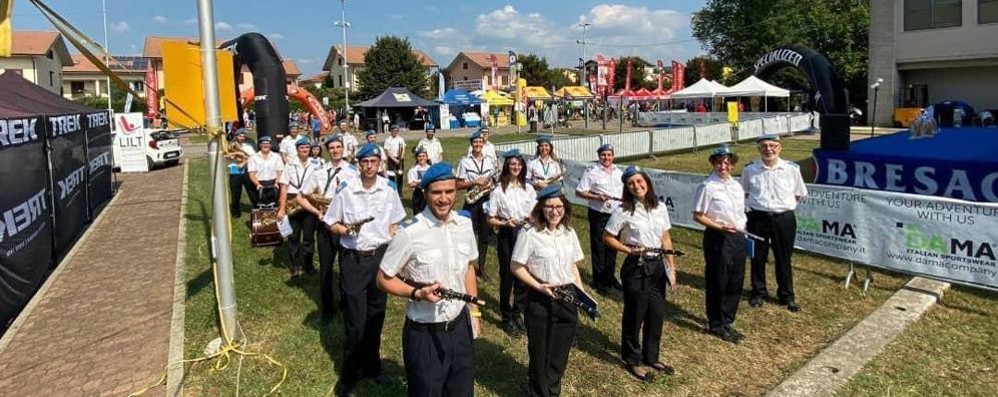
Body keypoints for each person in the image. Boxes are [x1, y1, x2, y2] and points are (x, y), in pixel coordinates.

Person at [376, 162, 481, 397]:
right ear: (425, 194)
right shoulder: (409, 233)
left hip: (460, 328)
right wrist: (416, 294)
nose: (444, 199)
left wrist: (473, 312)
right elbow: (383, 278)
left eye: (449, 191)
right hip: (425, 333)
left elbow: (468, 269)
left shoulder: (464, 224)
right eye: (436, 192)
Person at [323, 143, 406, 395]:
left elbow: (393, 225)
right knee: (355, 322)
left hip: (379, 259)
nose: (369, 166)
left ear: (380, 163)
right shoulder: (346, 190)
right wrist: (344, 229)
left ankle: (373, 366)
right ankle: (349, 374)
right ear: (358, 164)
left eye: (373, 162)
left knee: (376, 315)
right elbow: (330, 221)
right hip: (354, 260)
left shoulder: (389, 189)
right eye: (364, 162)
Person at [511, 183, 587, 397]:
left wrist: (581, 294)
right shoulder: (530, 233)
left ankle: (552, 390)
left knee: (560, 351)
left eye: (559, 206)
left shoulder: (569, 233)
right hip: (540, 297)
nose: (555, 211)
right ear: (541, 209)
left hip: (567, 296)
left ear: (565, 208)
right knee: (540, 351)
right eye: (549, 207)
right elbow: (516, 266)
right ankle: (538, 391)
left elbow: (572, 265)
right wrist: (538, 286)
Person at [602, 166, 677, 382]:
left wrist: (671, 269)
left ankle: (651, 356)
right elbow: (608, 237)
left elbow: (666, 239)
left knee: (656, 313)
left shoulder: (659, 207)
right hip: (636, 266)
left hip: (657, 267)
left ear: (647, 181)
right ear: (627, 187)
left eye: (639, 180)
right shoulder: (623, 210)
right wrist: (628, 250)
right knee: (635, 315)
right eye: (631, 183)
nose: (637, 185)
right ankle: (633, 359)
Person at [742, 134, 807, 312]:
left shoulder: (792, 169)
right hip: (758, 218)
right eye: (764, 146)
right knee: (758, 256)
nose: (768, 149)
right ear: (759, 149)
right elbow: (744, 193)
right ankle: (758, 292)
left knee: (783, 257)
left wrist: (782, 207)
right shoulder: (750, 169)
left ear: (780, 148)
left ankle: (786, 295)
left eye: (773, 146)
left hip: (783, 218)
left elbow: (799, 193)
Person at [300, 135, 359, 319]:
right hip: (325, 224)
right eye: (331, 147)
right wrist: (317, 213)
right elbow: (301, 197)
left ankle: (345, 301)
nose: (335, 150)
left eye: (338, 147)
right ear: (327, 150)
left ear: (343, 149)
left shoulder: (353, 171)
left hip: (344, 224)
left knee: (346, 266)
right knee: (326, 268)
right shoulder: (318, 172)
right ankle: (327, 307)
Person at [693, 146, 747, 344]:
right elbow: (698, 215)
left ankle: (728, 320)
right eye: (719, 162)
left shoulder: (736, 185)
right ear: (713, 163)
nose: (723, 166)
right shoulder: (708, 186)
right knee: (718, 279)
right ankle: (716, 323)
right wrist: (719, 227)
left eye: (727, 162)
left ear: (732, 164)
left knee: (736, 278)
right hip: (718, 237)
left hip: (737, 236)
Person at [486, 149, 536, 336]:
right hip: (507, 233)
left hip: (525, 232)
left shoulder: (528, 189)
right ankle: (506, 316)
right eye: (512, 164)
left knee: (523, 275)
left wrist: (531, 219)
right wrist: (505, 222)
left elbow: (534, 212)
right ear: (507, 166)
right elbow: (490, 219)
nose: (516, 167)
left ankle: (517, 312)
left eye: (519, 164)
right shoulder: (499, 191)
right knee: (507, 276)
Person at [574, 143, 624, 294]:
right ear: (599, 156)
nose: (606, 158)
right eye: (603, 155)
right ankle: (599, 280)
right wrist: (596, 197)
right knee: (599, 247)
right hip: (599, 213)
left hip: (616, 214)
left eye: (609, 155)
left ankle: (610, 277)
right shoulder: (592, 171)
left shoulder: (619, 172)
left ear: (613, 156)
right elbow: (580, 192)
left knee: (613, 246)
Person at [457, 130, 499, 281]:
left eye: (480, 142)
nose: (478, 144)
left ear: (483, 143)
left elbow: (494, 179)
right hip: (472, 199)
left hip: (486, 198)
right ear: (471, 143)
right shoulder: (465, 161)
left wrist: (491, 185)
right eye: (475, 142)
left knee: (484, 235)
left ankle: (481, 268)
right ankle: (466, 266)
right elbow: (458, 184)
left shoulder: (489, 160)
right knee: (468, 234)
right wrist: (475, 182)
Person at [279, 137, 319, 277]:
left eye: (307, 148)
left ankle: (308, 265)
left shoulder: (315, 165)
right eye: (302, 148)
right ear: (297, 150)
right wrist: (282, 208)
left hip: (308, 203)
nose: (305, 150)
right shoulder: (290, 165)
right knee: (293, 237)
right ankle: (295, 265)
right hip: (292, 202)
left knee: (309, 237)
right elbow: (283, 187)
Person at [247, 136, 284, 208]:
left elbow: (279, 171)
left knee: (274, 205)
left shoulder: (277, 157)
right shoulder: (253, 157)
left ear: (271, 145)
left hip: (273, 183)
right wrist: (257, 184)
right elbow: (251, 174)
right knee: (259, 206)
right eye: (263, 143)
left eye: (267, 143)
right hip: (258, 183)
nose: (265, 145)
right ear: (260, 145)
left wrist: (276, 183)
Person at [227, 129, 257, 217]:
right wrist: (237, 152)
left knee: (252, 191)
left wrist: (244, 161)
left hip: (247, 171)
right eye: (240, 136)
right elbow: (227, 156)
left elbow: (253, 157)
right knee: (235, 192)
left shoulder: (248, 146)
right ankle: (235, 211)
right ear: (236, 136)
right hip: (235, 171)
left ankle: (256, 208)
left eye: (243, 136)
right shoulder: (230, 146)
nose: (242, 137)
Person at [406, 147, 432, 214]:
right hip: (418, 195)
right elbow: (410, 184)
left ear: (427, 157)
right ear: (416, 158)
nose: (421, 158)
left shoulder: (431, 169)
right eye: (419, 156)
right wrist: (420, 183)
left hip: (430, 194)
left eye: (423, 156)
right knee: (418, 216)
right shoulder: (413, 170)